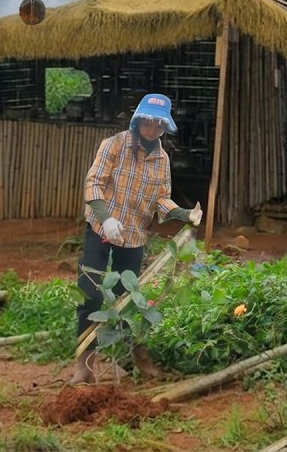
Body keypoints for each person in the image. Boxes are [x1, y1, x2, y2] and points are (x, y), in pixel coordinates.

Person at [70, 93, 202, 385]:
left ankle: (137, 359)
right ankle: (84, 364)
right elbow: (94, 184)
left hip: (133, 237)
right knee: (89, 295)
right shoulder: (114, 145)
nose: (152, 128)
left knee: (130, 299)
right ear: (138, 119)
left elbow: (161, 201)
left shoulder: (162, 160)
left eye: (158, 124)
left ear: (164, 127)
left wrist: (185, 213)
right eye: (148, 121)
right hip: (101, 232)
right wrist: (106, 218)